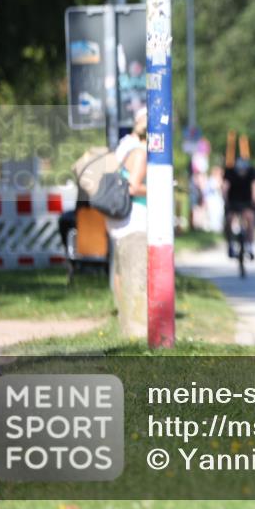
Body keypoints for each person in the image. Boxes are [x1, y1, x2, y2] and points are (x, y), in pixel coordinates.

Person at [108, 108, 148, 337]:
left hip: (119, 220)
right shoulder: (140, 152)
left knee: (121, 274)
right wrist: (161, 186)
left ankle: (126, 325)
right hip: (135, 219)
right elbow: (133, 186)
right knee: (136, 276)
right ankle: (136, 331)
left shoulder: (123, 146)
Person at [223, 154, 255, 260]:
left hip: (247, 201)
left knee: (250, 219)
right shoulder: (229, 172)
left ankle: (250, 246)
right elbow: (225, 188)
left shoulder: (253, 172)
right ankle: (230, 243)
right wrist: (225, 201)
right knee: (229, 220)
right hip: (233, 201)